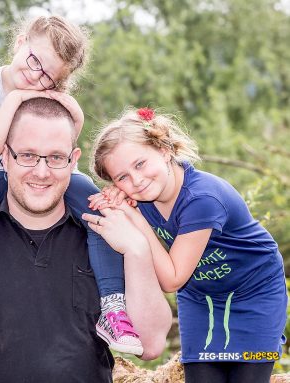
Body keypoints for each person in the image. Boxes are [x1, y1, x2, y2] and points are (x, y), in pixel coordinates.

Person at [0, 14, 142, 354]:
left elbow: (73, 124)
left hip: (44, 169)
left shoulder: (50, 91)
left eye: (48, 76)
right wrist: (16, 99)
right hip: (1, 172)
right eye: (34, 62)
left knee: (97, 210)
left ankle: (113, 306)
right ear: (20, 43)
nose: (35, 76)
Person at [0, 98, 172, 382]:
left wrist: (136, 248)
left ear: (73, 160)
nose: (42, 172)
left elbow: (152, 343)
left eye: (56, 157)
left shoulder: (107, 236)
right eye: (28, 155)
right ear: (5, 157)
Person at [86, 107, 288, 383]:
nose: (136, 180)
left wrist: (134, 218)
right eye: (121, 177)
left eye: (140, 164)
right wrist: (114, 205)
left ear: (164, 150)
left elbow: (171, 279)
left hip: (255, 294)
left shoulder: (202, 199)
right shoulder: (140, 197)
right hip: (200, 296)